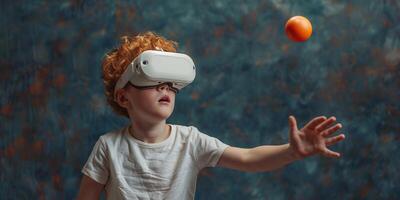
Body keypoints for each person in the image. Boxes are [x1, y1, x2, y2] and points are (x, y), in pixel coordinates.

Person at [76, 32, 346, 200]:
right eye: (153, 80)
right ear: (124, 97)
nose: (165, 88)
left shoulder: (190, 141)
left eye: (171, 83)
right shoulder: (108, 146)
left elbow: (248, 158)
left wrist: (292, 151)